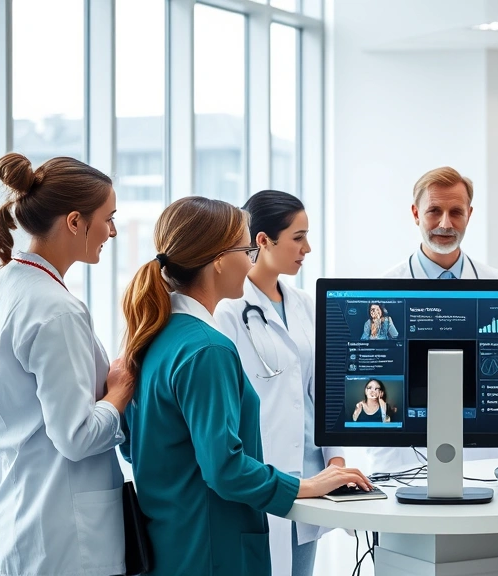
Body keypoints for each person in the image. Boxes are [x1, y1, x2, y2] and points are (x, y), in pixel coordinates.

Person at [120, 196, 371, 576]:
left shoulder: (158, 335)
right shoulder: (207, 349)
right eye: (246, 248)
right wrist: (305, 486)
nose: (252, 258)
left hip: (175, 538)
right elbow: (225, 469)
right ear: (219, 260)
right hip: (211, 548)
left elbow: (133, 445)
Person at [0, 153, 135, 576]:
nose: (112, 230)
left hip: (20, 515)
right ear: (75, 222)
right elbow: (75, 438)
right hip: (65, 539)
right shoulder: (56, 311)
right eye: (108, 218)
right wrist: (120, 392)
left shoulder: (6, 284)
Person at [213, 190, 345, 576]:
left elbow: (321, 390)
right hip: (264, 474)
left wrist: (334, 458)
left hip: (312, 477)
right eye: (298, 237)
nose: (307, 247)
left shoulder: (304, 303)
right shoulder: (228, 310)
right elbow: (229, 404)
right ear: (263, 241)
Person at [375, 166, 498, 473]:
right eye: (434, 211)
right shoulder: (382, 290)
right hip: (405, 462)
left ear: (470, 214)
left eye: (456, 212)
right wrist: (385, 470)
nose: (446, 223)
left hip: (481, 462)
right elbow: (378, 382)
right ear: (416, 213)